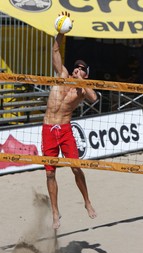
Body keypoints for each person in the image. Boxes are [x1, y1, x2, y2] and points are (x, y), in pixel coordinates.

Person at [42, 12, 97, 229]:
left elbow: (94, 98)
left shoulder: (82, 92)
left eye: (82, 69)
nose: (77, 69)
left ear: (86, 75)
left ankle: (87, 202)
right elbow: (55, 50)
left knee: (76, 168)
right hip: (48, 129)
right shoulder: (62, 75)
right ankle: (55, 212)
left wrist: (81, 83)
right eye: (77, 67)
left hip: (65, 130)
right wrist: (60, 33)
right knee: (49, 173)